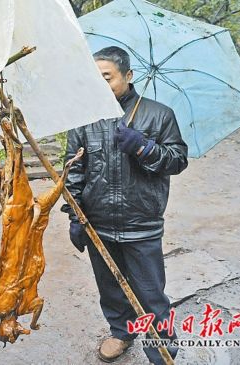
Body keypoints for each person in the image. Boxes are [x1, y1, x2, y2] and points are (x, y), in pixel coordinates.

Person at [62, 46, 188, 364]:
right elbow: (73, 168)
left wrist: (144, 147)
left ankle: (161, 348)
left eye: (107, 78)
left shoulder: (158, 114)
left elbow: (177, 160)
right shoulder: (83, 117)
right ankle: (121, 332)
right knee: (111, 288)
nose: (99, 85)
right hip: (98, 223)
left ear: (128, 76)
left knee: (150, 293)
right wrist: (75, 213)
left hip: (141, 224)